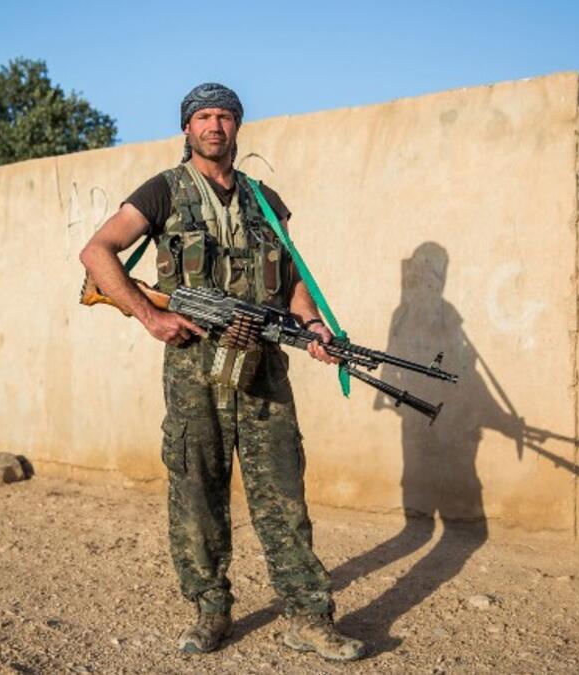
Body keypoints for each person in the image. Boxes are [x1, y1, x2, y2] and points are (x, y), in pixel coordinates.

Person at [79, 83, 365, 661]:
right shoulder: (161, 192)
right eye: (204, 117)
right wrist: (148, 318)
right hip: (195, 369)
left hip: (263, 369)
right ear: (187, 128)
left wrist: (313, 327)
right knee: (197, 490)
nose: (215, 126)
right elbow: (96, 253)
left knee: (284, 494)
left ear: (237, 127)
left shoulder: (265, 200)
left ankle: (307, 617)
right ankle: (211, 610)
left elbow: (290, 283)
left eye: (225, 116)